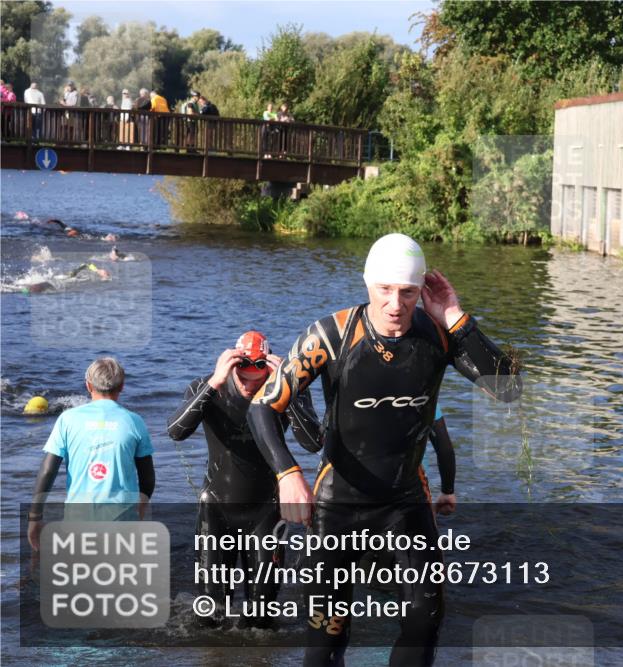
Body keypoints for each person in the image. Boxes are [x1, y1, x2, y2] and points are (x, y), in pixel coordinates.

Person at [248, 233, 521, 667]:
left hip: (405, 504)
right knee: (326, 640)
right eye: (385, 290)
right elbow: (263, 407)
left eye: (408, 292)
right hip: (337, 506)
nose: (396, 304)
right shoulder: (331, 334)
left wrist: (455, 316)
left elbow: (508, 388)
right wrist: (287, 474)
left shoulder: (440, 334)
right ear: (367, 283)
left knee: (424, 625)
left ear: (420, 291)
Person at [167, 331, 323, 627]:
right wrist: (215, 381)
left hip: (266, 511)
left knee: (262, 617)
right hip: (217, 509)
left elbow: (313, 442)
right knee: (210, 615)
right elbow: (176, 431)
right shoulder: (208, 386)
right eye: (244, 378)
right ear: (233, 367)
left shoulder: (286, 390)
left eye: (258, 379)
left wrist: (287, 389)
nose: (251, 386)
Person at [27, 357, 155, 549]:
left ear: (88, 385)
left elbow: (47, 470)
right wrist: (142, 504)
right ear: (121, 387)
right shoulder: (134, 421)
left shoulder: (67, 419)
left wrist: (34, 518)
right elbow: (148, 477)